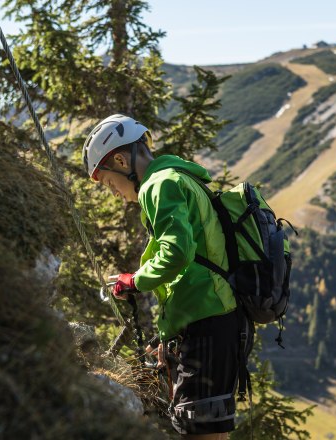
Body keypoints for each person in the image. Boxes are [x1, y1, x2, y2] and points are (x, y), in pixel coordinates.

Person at [83, 114, 248, 440]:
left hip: (207, 321)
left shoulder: (159, 185)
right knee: (207, 429)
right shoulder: (180, 177)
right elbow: (191, 263)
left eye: (109, 182)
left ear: (120, 159)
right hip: (213, 318)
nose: (114, 191)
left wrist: (133, 282)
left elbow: (177, 253)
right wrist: (169, 336)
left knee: (199, 432)